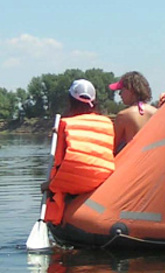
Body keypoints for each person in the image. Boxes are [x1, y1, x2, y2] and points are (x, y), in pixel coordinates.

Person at [40, 79, 115, 225]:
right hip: (101, 179)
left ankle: (54, 219)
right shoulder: (107, 122)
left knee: (49, 187)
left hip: (73, 182)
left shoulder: (65, 123)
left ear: (70, 100)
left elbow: (59, 161)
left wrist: (49, 185)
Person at [108, 71, 158, 154]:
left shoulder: (124, 116)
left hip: (131, 163)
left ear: (131, 90)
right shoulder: (157, 113)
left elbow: (112, 147)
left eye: (122, 90)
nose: (120, 94)